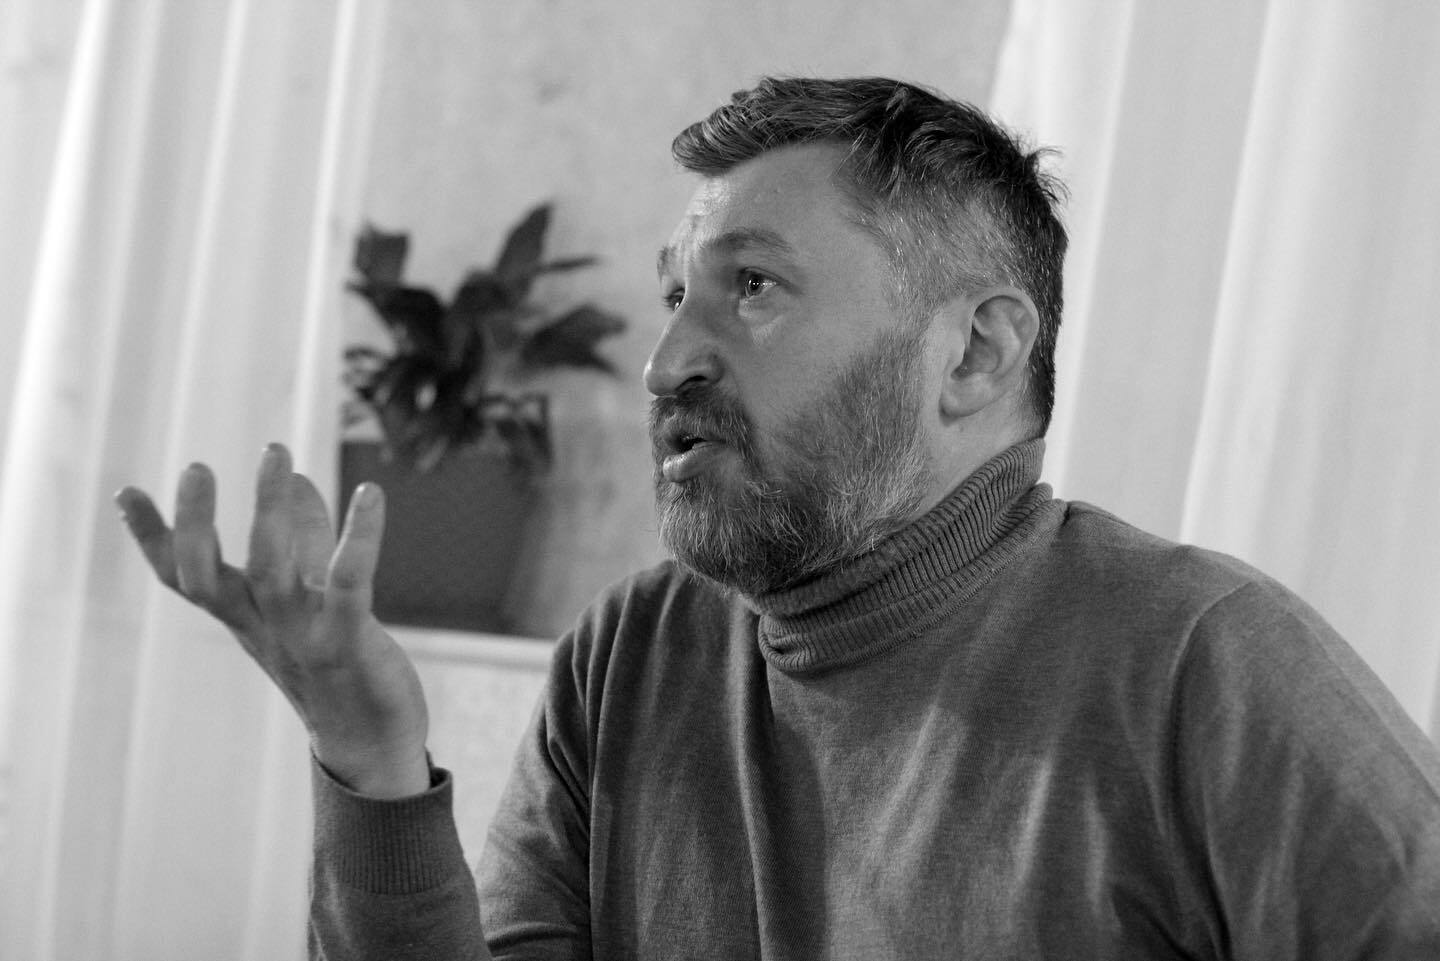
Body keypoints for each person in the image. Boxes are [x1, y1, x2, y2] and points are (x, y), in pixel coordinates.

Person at [116, 77, 1440, 960]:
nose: (663, 364)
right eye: (675, 294)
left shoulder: (1212, 664)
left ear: (975, 355)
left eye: (752, 285)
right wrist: (368, 753)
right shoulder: (628, 657)